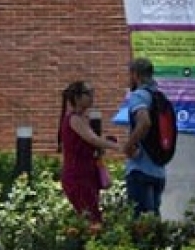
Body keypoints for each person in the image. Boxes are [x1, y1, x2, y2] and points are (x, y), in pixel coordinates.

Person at [58, 81, 119, 225]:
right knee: (91, 219)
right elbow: (92, 139)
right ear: (77, 98)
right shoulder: (74, 119)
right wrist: (119, 147)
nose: (92, 96)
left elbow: (91, 142)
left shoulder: (83, 119)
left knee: (91, 217)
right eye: (88, 93)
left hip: (88, 175)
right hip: (78, 176)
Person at [122, 58, 167, 216]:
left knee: (141, 225)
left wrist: (129, 145)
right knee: (153, 222)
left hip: (140, 168)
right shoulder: (159, 96)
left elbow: (144, 122)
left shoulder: (139, 96)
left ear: (135, 75)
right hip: (159, 169)